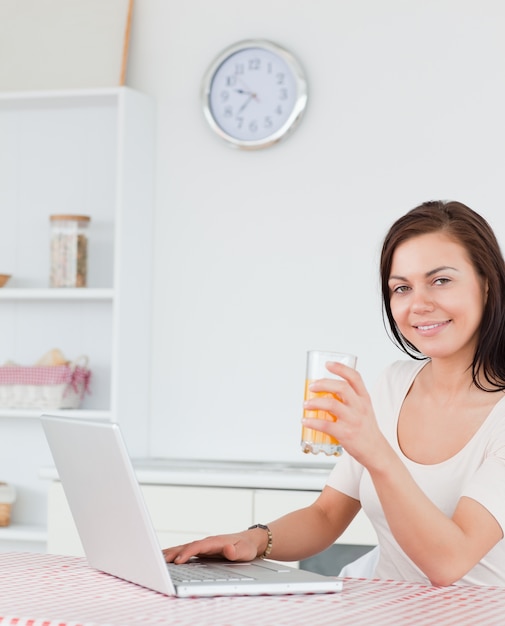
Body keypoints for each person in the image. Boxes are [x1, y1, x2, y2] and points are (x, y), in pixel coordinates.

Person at [163, 200, 505, 587]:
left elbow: (449, 563)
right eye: (401, 288)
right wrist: (252, 540)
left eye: (440, 280)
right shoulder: (395, 384)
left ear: (487, 283)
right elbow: (326, 516)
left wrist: (376, 452)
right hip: (383, 611)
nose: (418, 304)